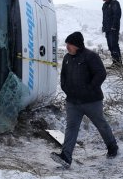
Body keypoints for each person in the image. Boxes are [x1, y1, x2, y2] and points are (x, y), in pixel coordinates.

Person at [50, 32, 118, 168]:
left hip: (91, 101)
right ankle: (66, 157)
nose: (67, 47)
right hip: (73, 102)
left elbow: (101, 73)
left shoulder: (90, 57)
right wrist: (66, 88)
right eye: (67, 44)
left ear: (77, 45)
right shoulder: (67, 58)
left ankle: (112, 146)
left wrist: (89, 88)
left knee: (101, 124)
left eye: (69, 44)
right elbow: (63, 76)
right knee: (71, 128)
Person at [101, 0, 123, 68]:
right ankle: (115, 62)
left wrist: (114, 26)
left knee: (114, 45)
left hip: (113, 28)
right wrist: (103, 26)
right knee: (110, 45)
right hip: (107, 28)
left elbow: (117, 15)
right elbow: (104, 17)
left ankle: (118, 63)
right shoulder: (105, 5)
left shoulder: (114, 3)